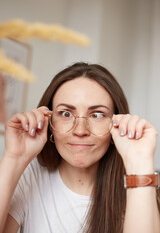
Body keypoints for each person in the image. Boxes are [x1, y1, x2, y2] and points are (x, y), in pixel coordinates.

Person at [0, 62, 160, 233]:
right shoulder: (30, 178)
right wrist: (14, 158)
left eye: (97, 115)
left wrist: (139, 162)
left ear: (116, 123)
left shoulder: (141, 191)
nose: (80, 130)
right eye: (66, 113)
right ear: (50, 122)